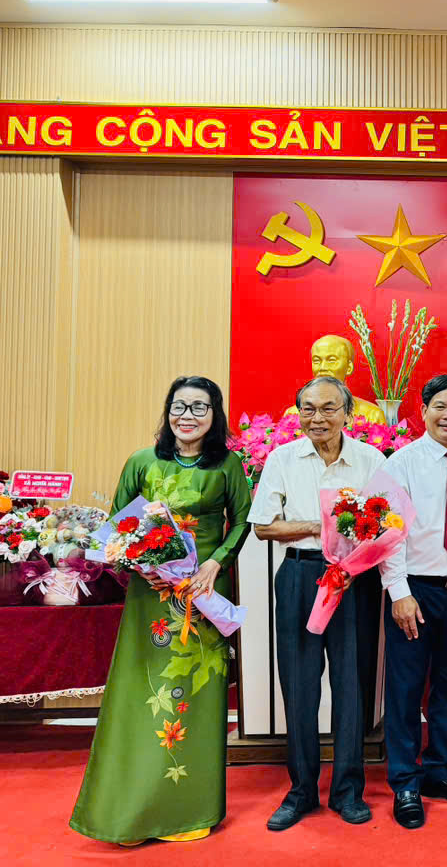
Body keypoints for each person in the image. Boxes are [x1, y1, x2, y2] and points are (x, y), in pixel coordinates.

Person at [70, 376, 251, 846]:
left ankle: (189, 810)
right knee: (141, 690)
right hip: (150, 594)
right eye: (179, 406)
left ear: (215, 415)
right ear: (167, 411)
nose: (187, 415)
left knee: (197, 695)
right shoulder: (141, 461)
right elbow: (116, 529)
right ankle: (131, 808)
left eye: (199, 407)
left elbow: (242, 522)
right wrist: (140, 567)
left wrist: (216, 562)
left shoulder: (228, 465)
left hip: (201, 592)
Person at [248, 376, 388, 830]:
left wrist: (356, 540)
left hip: (354, 579)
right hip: (300, 576)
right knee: (300, 685)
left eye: (329, 408)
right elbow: (263, 526)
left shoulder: (371, 459)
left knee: (352, 686)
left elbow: (388, 522)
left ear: (348, 413)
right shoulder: (282, 458)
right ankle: (301, 791)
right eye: (308, 409)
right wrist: (320, 526)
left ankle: (348, 791)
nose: (318, 418)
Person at [378, 374, 447, 829]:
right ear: (423, 410)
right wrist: (399, 593)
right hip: (416, 592)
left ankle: (441, 771)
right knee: (405, 690)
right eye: (440, 406)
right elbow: (388, 534)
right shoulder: (400, 464)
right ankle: (405, 782)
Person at [284, 334, 386, 424]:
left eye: (331, 360)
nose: (322, 367)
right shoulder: (293, 415)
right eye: (316, 361)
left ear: (349, 367)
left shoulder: (372, 416)